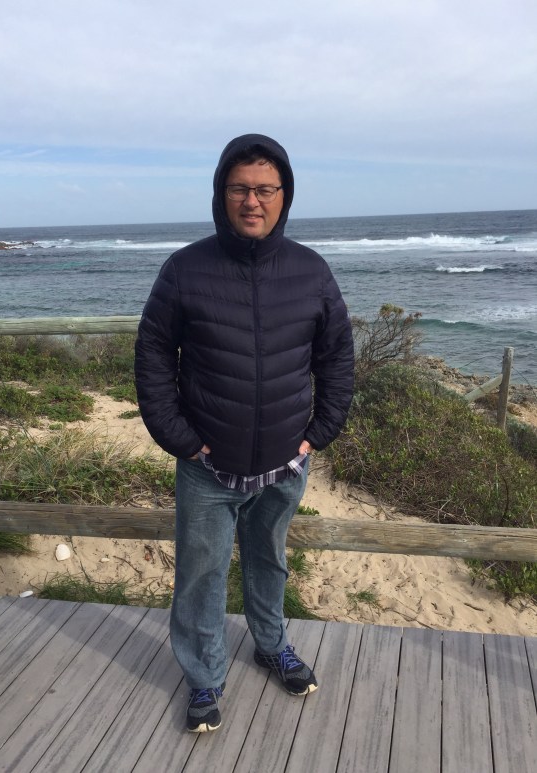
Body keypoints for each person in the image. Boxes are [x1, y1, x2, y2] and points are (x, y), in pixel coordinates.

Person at [135, 133, 354, 733]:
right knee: (201, 575)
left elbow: (337, 356)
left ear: (284, 195)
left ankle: (271, 644)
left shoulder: (311, 270)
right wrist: (181, 439)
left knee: (269, 561)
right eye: (239, 188)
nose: (252, 201)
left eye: (265, 189)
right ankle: (205, 676)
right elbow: (153, 356)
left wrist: (319, 432)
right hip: (207, 465)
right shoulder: (185, 269)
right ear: (221, 193)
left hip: (286, 460)